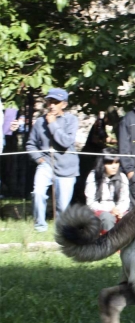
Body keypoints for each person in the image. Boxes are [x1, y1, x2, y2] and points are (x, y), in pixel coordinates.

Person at [25, 88, 79, 232]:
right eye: (49, 102)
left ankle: (60, 231)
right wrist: (39, 159)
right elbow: (30, 144)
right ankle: (40, 226)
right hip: (46, 164)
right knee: (38, 193)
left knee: (62, 205)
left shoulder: (71, 120)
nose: (52, 105)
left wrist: (52, 124)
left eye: (56, 102)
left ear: (64, 104)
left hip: (67, 167)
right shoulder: (39, 122)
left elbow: (66, 142)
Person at [85, 147, 129, 232]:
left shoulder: (122, 177)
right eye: (110, 163)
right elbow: (90, 203)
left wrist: (119, 210)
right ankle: (108, 243)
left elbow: (125, 200)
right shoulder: (93, 176)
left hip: (117, 210)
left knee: (130, 218)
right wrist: (109, 210)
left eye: (116, 163)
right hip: (99, 210)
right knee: (108, 218)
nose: (114, 166)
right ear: (102, 164)